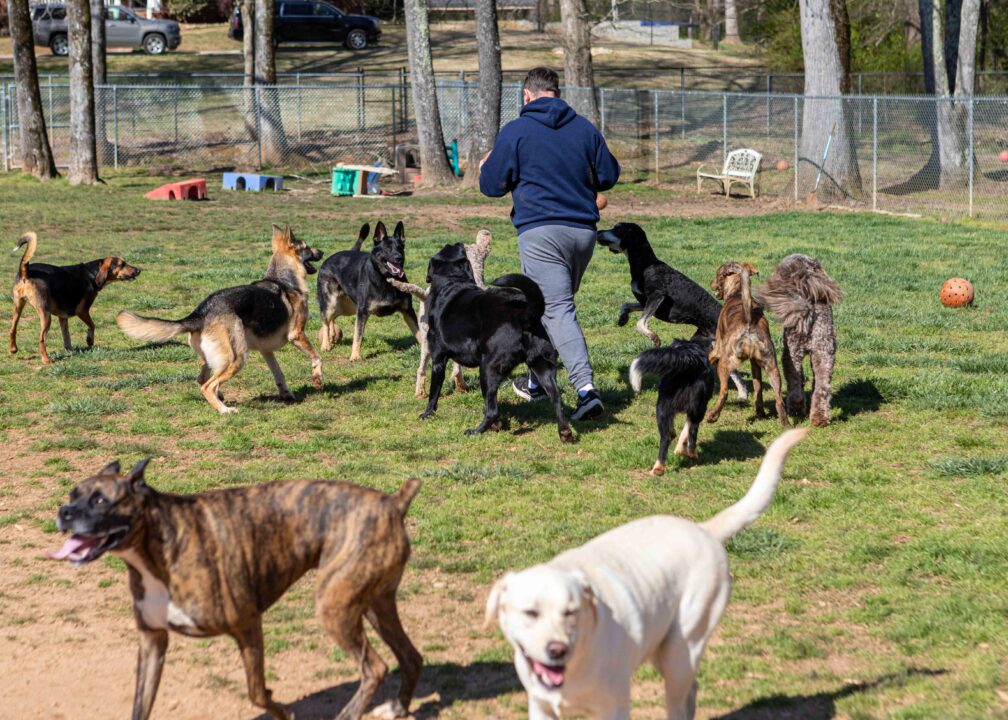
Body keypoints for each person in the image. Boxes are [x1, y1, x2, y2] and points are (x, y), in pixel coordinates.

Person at [479, 66, 620, 420]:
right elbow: (609, 175)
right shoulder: (585, 128)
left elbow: (492, 185)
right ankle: (539, 382)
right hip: (583, 234)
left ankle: (586, 391)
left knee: (557, 309)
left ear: (527, 96)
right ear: (556, 93)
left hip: (541, 233)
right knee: (543, 305)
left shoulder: (516, 131)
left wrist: (485, 167)